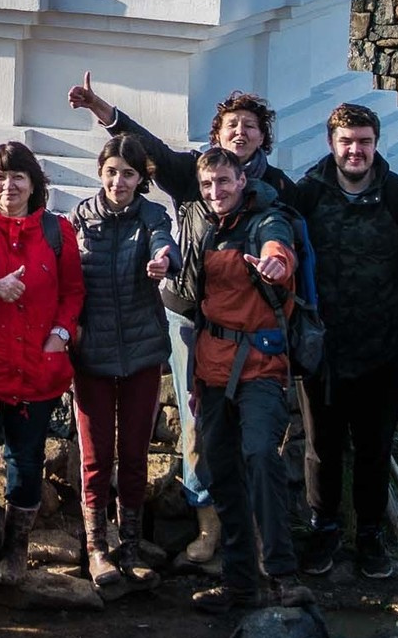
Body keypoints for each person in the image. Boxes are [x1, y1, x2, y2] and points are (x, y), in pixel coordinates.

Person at [67, 76, 293, 567]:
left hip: (252, 329)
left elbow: (284, 238)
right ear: (216, 133)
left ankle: (253, 535)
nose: (239, 133)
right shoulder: (195, 173)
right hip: (192, 316)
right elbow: (146, 150)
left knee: (251, 438)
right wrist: (102, 109)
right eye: (231, 124)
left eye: (250, 126)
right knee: (198, 428)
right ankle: (207, 525)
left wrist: (278, 260)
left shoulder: (276, 190)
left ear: (263, 137)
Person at [280, 103, 398, 581]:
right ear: (331, 144)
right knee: (321, 447)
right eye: (347, 141)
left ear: (375, 144)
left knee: (373, 446)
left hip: (384, 350)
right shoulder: (307, 194)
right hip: (322, 348)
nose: (355, 150)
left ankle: (370, 535)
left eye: (364, 141)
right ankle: (323, 528)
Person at [160, 145, 313, 612]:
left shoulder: (267, 218)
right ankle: (239, 583)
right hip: (210, 365)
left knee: (262, 456)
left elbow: (277, 247)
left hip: (259, 366)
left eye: (223, 183)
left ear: (241, 180)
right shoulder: (204, 229)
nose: (215, 192)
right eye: (207, 186)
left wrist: (275, 262)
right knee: (221, 471)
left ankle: (282, 576)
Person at [0, 140, 82, 588]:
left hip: (35, 370)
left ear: (33, 183)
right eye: (0, 177)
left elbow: (72, 292)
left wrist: (60, 336)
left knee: (26, 462)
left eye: (18, 176)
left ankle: (16, 545)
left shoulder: (56, 231)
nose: (9, 186)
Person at [68, 132, 178, 590]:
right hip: (91, 352)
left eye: (128, 173)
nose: (119, 181)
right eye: (111, 172)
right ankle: (97, 547)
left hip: (140, 352)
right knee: (95, 456)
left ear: (141, 178)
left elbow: (164, 243)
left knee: (134, 453)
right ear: (100, 173)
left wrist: (162, 260)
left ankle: (130, 544)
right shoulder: (78, 218)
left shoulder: (152, 215)